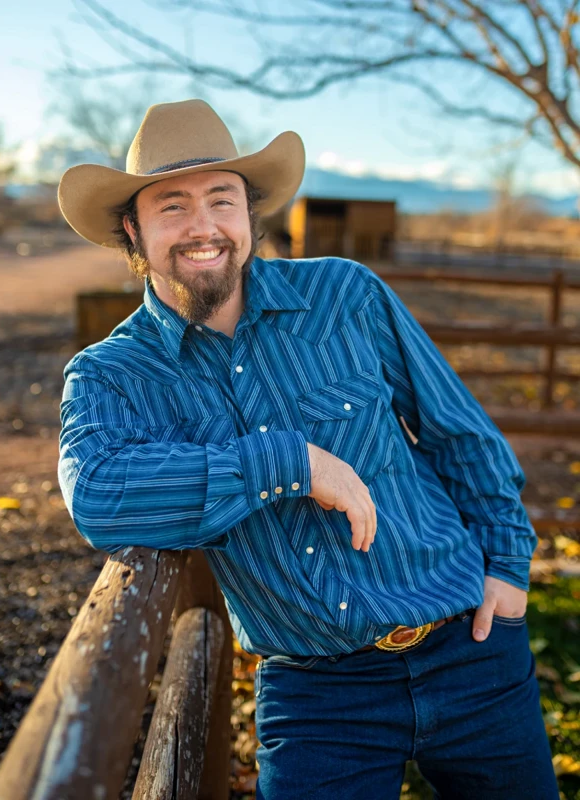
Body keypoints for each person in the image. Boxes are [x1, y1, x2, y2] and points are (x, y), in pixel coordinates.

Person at [56, 99, 559, 799]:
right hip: (318, 694)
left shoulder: (346, 295)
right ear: (132, 229)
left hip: (470, 649)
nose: (203, 227)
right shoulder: (113, 374)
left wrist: (507, 564)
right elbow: (98, 494)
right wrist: (288, 463)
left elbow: (460, 432)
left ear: (250, 214)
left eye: (221, 200)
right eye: (173, 206)